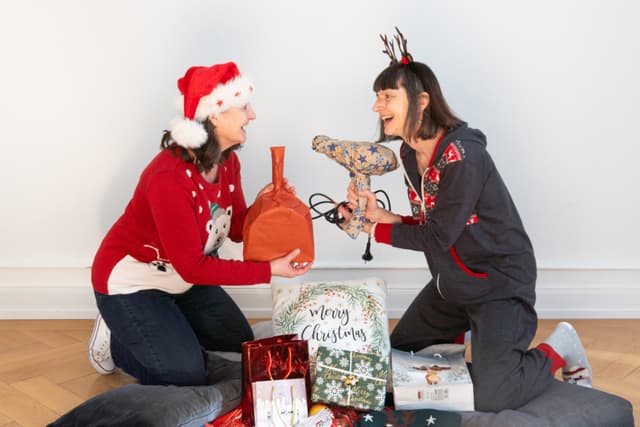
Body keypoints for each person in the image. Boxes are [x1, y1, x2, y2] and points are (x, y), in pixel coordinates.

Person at [340, 29, 592, 412]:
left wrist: (376, 229)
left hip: (498, 285)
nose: (377, 106)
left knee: (494, 397)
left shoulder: (462, 156)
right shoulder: (409, 154)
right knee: (399, 358)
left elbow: (438, 236)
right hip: (452, 286)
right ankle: (462, 353)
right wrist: (379, 216)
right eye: (377, 96)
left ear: (422, 101)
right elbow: (433, 222)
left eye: (387, 96)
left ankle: (561, 347)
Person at [88, 61, 312, 386]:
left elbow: (237, 229)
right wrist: (268, 270)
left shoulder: (228, 162)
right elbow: (194, 267)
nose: (252, 115)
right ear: (215, 115)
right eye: (244, 107)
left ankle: (165, 326)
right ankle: (117, 341)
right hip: (134, 282)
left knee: (235, 340)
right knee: (184, 373)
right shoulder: (168, 178)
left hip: (184, 280)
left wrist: (266, 203)